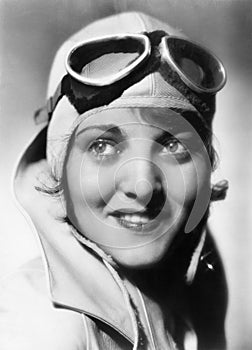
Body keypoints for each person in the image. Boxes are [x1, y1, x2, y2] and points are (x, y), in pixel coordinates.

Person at [0, 11, 229, 350]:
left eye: (173, 145)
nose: (142, 185)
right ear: (57, 167)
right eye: (103, 146)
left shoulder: (194, 299)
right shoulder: (42, 327)